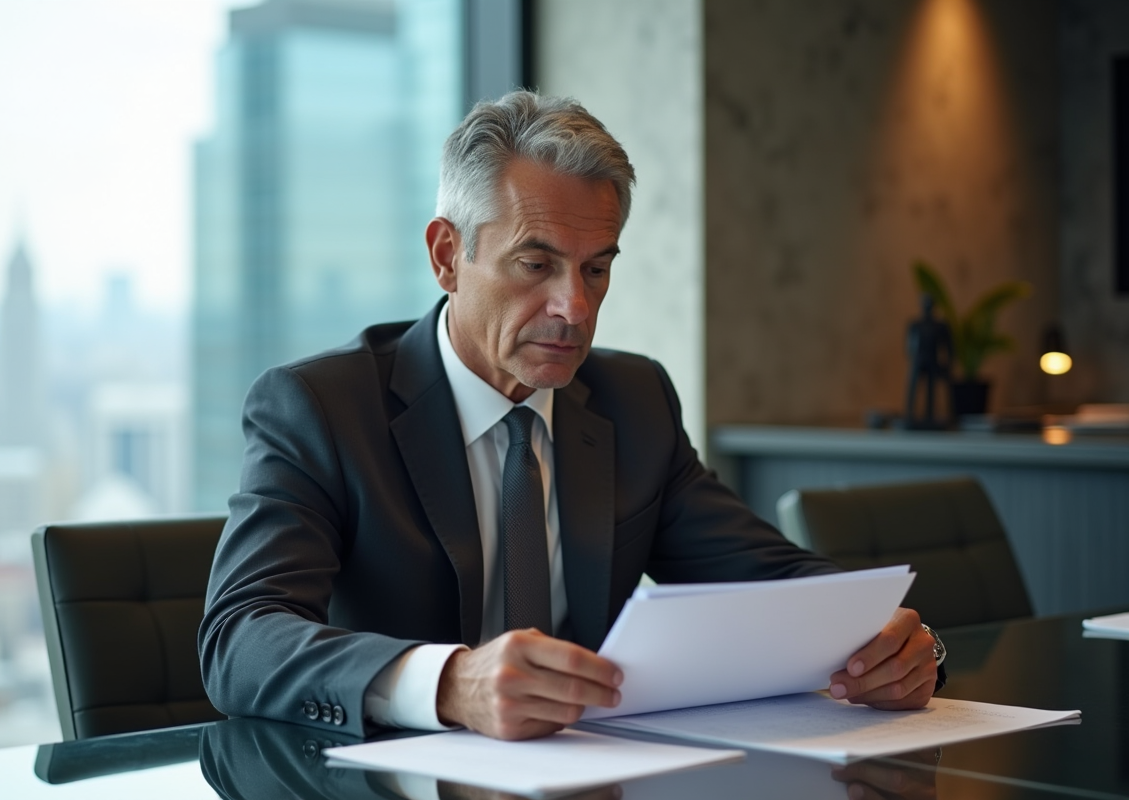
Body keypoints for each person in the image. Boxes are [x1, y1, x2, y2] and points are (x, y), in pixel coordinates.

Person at [199, 91, 942, 742]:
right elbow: (240, 638)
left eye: (597, 268)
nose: (574, 308)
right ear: (447, 255)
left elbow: (777, 584)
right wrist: (451, 685)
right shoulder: (322, 409)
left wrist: (893, 647)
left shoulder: (634, 401)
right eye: (535, 264)